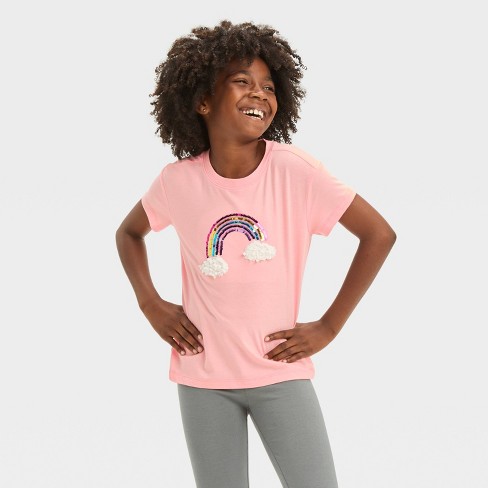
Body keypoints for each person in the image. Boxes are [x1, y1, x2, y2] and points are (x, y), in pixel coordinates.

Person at [115, 19, 396, 488]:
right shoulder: (177, 182)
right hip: (203, 377)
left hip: (279, 371)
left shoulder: (296, 171)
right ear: (203, 100)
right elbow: (129, 233)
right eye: (242, 81)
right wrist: (150, 302)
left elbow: (378, 234)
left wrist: (329, 325)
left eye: (268, 86)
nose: (260, 94)